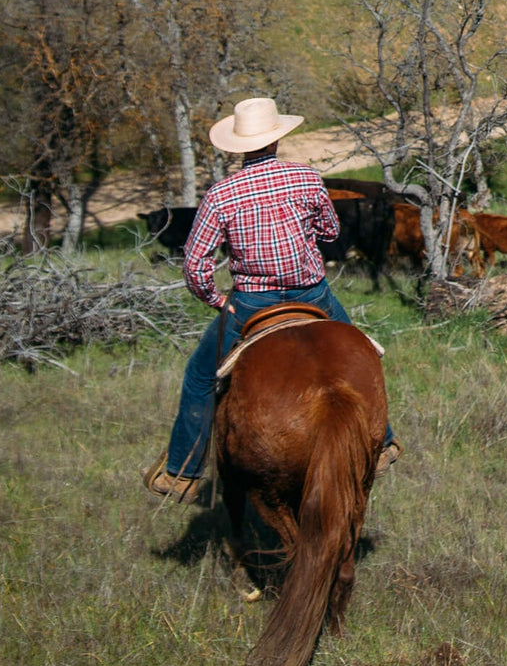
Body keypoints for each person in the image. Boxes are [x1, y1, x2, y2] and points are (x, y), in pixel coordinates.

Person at [141, 97, 401, 502]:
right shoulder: (306, 178)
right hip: (312, 291)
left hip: (251, 302)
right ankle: (383, 443)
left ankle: (182, 472)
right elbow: (331, 231)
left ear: (239, 146)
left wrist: (216, 299)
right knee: (361, 352)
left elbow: (195, 265)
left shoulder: (220, 194)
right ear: (278, 138)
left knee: (198, 377)